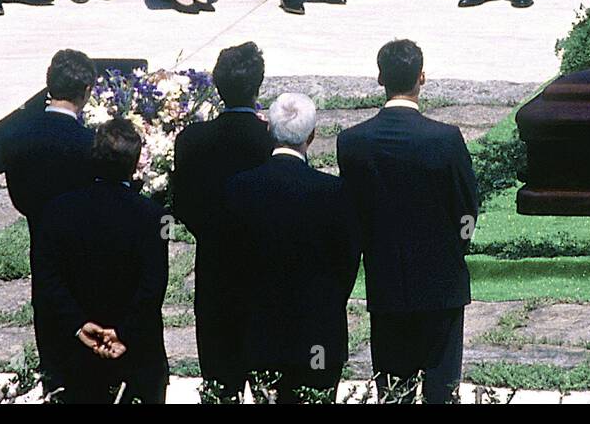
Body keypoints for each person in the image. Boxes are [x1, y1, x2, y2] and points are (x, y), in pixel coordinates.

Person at [338, 40, 478, 404]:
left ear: (380, 78)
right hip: (441, 283)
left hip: (387, 282)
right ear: (422, 77)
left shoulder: (352, 142)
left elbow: (353, 215)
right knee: (441, 389)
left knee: (393, 391)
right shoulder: (445, 139)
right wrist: (454, 248)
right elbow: (467, 209)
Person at [221, 93, 360, 403]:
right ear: (311, 136)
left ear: (269, 129)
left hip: (258, 335)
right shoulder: (333, 192)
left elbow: (229, 264)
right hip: (317, 339)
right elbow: (348, 263)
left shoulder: (239, 188)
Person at [33, 118, 169, 404]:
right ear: (134, 165)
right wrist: (122, 332)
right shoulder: (156, 216)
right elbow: (153, 285)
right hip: (135, 352)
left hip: (74, 352)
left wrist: (79, 324)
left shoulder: (55, 211)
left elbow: (47, 278)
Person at [171, 41, 273, 397]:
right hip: (266, 275)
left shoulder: (191, 140)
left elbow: (181, 205)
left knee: (219, 386)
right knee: (267, 386)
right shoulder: (271, 140)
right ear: (258, 86)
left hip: (215, 274)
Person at [1, 48, 96, 385]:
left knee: (49, 318)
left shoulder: (18, 137)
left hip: (40, 238)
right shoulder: (89, 143)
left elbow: (18, 197)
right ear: (86, 92)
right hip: (86, 251)